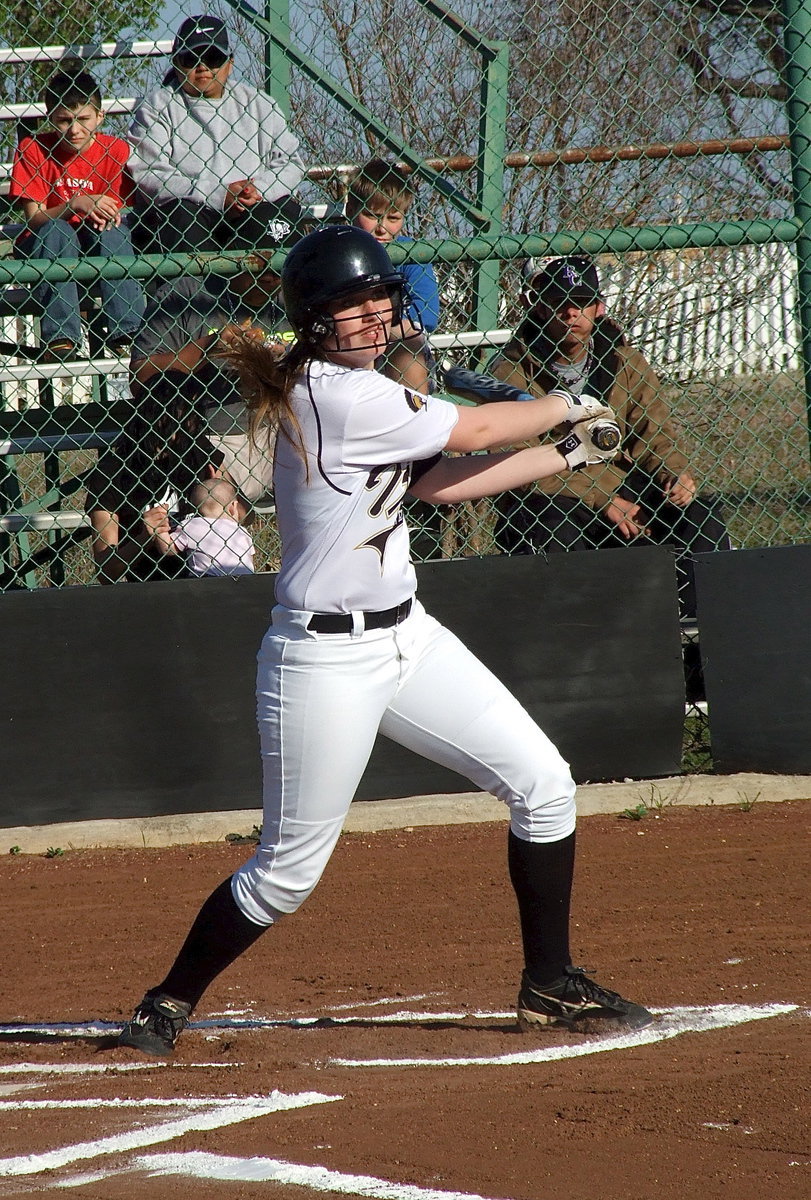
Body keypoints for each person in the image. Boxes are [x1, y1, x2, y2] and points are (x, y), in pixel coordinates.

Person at [117, 225, 652, 1058]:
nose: (371, 316)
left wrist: (563, 452)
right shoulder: (337, 394)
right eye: (349, 306)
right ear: (315, 320)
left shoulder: (353, 389)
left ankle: (549, 984)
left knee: (543, 785)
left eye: (378, 300)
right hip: (323, 659)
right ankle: (166, 1001)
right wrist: (565, 403)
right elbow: (471, 435)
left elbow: (437, 484)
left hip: (409, 639)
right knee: (287, 872)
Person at [484, 255, 731, 621]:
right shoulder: (512, 372)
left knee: (701, 512)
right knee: (556, 526)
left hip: (628, 490)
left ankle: (705, 630)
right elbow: (516, 461)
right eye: (559, 304)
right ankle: (581, 636)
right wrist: (602, 499)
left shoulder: (625, 361)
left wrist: (672, 473)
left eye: (582, 303)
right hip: (558, 497)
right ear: (539, 309)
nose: (572, 314)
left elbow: (656, 432)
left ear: (599, 307)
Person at [129, 231, 297, 513]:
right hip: (211, 442)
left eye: (280, 262)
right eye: (260, 262)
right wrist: (208, 348)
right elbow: (140, 377)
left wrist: (289, 361)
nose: (271, 274)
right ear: (233, 254)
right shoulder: (185, 294)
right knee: (214, 503)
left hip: (288, 432)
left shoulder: (300, 292)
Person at [128, 14, 304, 257]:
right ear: (177, 63)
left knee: (279, 214)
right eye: (191, 58)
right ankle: (196, 296)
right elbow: (149, 174)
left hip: (252, 206)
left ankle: (272, 292)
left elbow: (291, 163)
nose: (202, 66)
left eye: (213, 58)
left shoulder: (258, 103)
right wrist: (218, 195)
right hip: (195, 210)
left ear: (230, 63)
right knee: (181, 214)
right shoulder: (158, 106)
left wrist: (257, 190)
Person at [8, 67, 144, 360]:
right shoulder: (33, 148)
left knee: (115, 229)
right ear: (50, 119)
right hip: (48, 242)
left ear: (100, 117)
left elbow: (125, 209)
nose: (74, 130)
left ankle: (128, 330)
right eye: (63, 121)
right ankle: (61, 339)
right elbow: (35, 217)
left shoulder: (115, 150)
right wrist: (76, 204)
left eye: (83, 119)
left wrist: (105, 211)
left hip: (98, 240)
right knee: (58, 231)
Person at [84, 372, 224, 583]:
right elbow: (106, 570)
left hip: (206, 581)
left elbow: (243, 514)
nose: (196, 422)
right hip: (147, 587)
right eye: (188, 413)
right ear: (160, 415)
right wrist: (144, 538)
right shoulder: (113, 472)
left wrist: (221, 501)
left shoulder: (198, 450)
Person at [344, 158, 439, 392]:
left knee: (409, 346)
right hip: (346, 340)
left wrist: (380, 330)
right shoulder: (339, 250)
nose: (382, 228)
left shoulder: (409, 253)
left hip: (393, 340)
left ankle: (415, 419)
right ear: (350, 210)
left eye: (393, 218)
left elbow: (426, 315)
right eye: (372, 215)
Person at [151, 477, 255, 577]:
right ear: (233, 508)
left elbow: (167, 548)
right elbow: (250, 559)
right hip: (244, 580)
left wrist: (160, 528)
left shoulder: (191, 525)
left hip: (207, 580)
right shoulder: (242, 532)